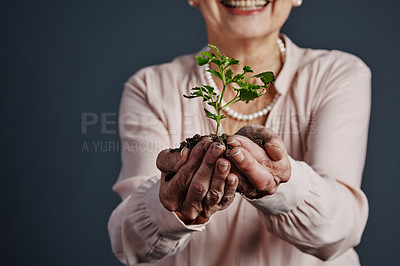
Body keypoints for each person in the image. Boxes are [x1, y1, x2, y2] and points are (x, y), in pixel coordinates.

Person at [108, 0, 371, 265]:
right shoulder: (150, 88)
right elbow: (130, 242)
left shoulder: (338, 75)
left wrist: (279, 187)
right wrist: (169, 205)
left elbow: (341, 228)